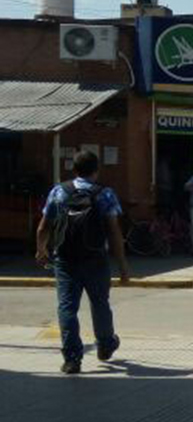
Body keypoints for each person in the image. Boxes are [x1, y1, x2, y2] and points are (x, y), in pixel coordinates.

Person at [35, 150, 129, 374]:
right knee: (100, 303)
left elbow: (43, 226)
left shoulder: (59, 191)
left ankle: (72, 359)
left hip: (65, 260)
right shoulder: (105, 194)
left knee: (67, 308)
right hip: (96, 259)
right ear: (97, 170)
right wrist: (123, 265)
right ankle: (106, 345)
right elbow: (114, 232)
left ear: (74, 170)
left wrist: (41, 250)